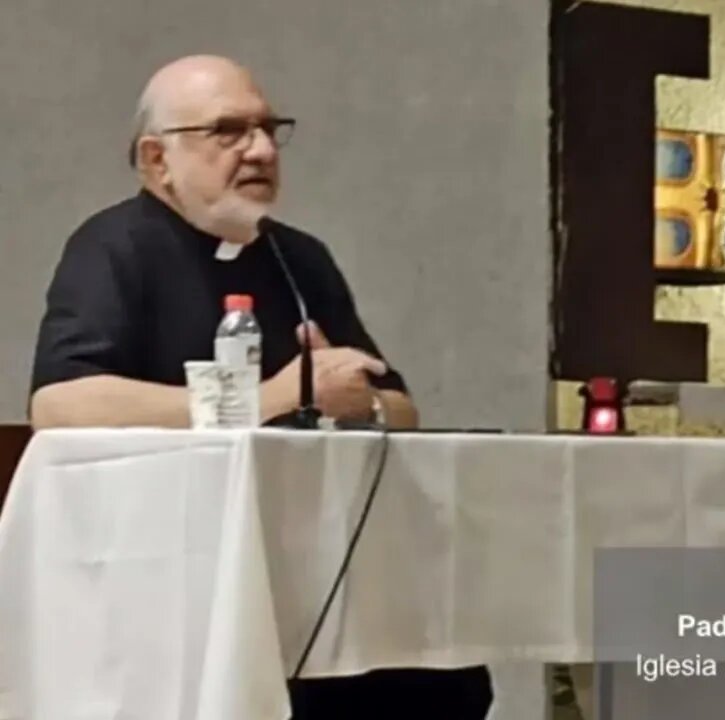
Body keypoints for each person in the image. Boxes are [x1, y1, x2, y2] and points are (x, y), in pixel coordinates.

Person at [27, 55, 492, 719]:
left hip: (309, 570)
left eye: (270, 129)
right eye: (229, 131)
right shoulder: (111, 247)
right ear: (157, 159)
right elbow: (59, 404)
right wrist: (272, 398)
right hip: (172, 577)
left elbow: (401, 409)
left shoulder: (297, 256)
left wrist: (358, 402)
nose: (262, 149)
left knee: (440, 680)